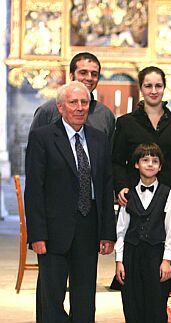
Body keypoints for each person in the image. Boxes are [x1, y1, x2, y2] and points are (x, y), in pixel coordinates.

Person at [24, 81, 116, 323]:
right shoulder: (42, 137)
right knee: (51, 299)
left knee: (85, 298)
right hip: (53, 232)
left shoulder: (99, 139)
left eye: (84, 102)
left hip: (88, 228)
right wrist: (37, 235)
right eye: (73, 102)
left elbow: (106, 187)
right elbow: (34, 190)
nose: (79, 107)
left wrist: (108, 232)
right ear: (60, 107)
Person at [115, 143, 171, 323]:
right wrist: (119, 260)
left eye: (155, 161)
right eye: (145, 160)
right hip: (132, 254)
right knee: (132, 303)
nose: (150, 164)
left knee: (156, 304)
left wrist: (167, 260)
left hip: (156, 255)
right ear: (137, 164)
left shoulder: (168, 194)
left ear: (160, 166)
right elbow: (121, 229)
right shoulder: (127, 194)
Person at [112, 65, 171, 206]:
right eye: (148, 86)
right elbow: (117, 161)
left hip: (170, 195)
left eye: (158, 86)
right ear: (141, 88)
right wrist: (121, 186)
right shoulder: (126, 122)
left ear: (164, 87)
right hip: (135, 195)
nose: (154, 91)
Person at [29, 52, 115, 144]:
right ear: (71, 75)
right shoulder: (48, 110)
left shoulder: (105, 114)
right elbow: (35, 149)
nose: (89, 78)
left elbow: (109, 154)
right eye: (83, 73)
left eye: (94, 74)